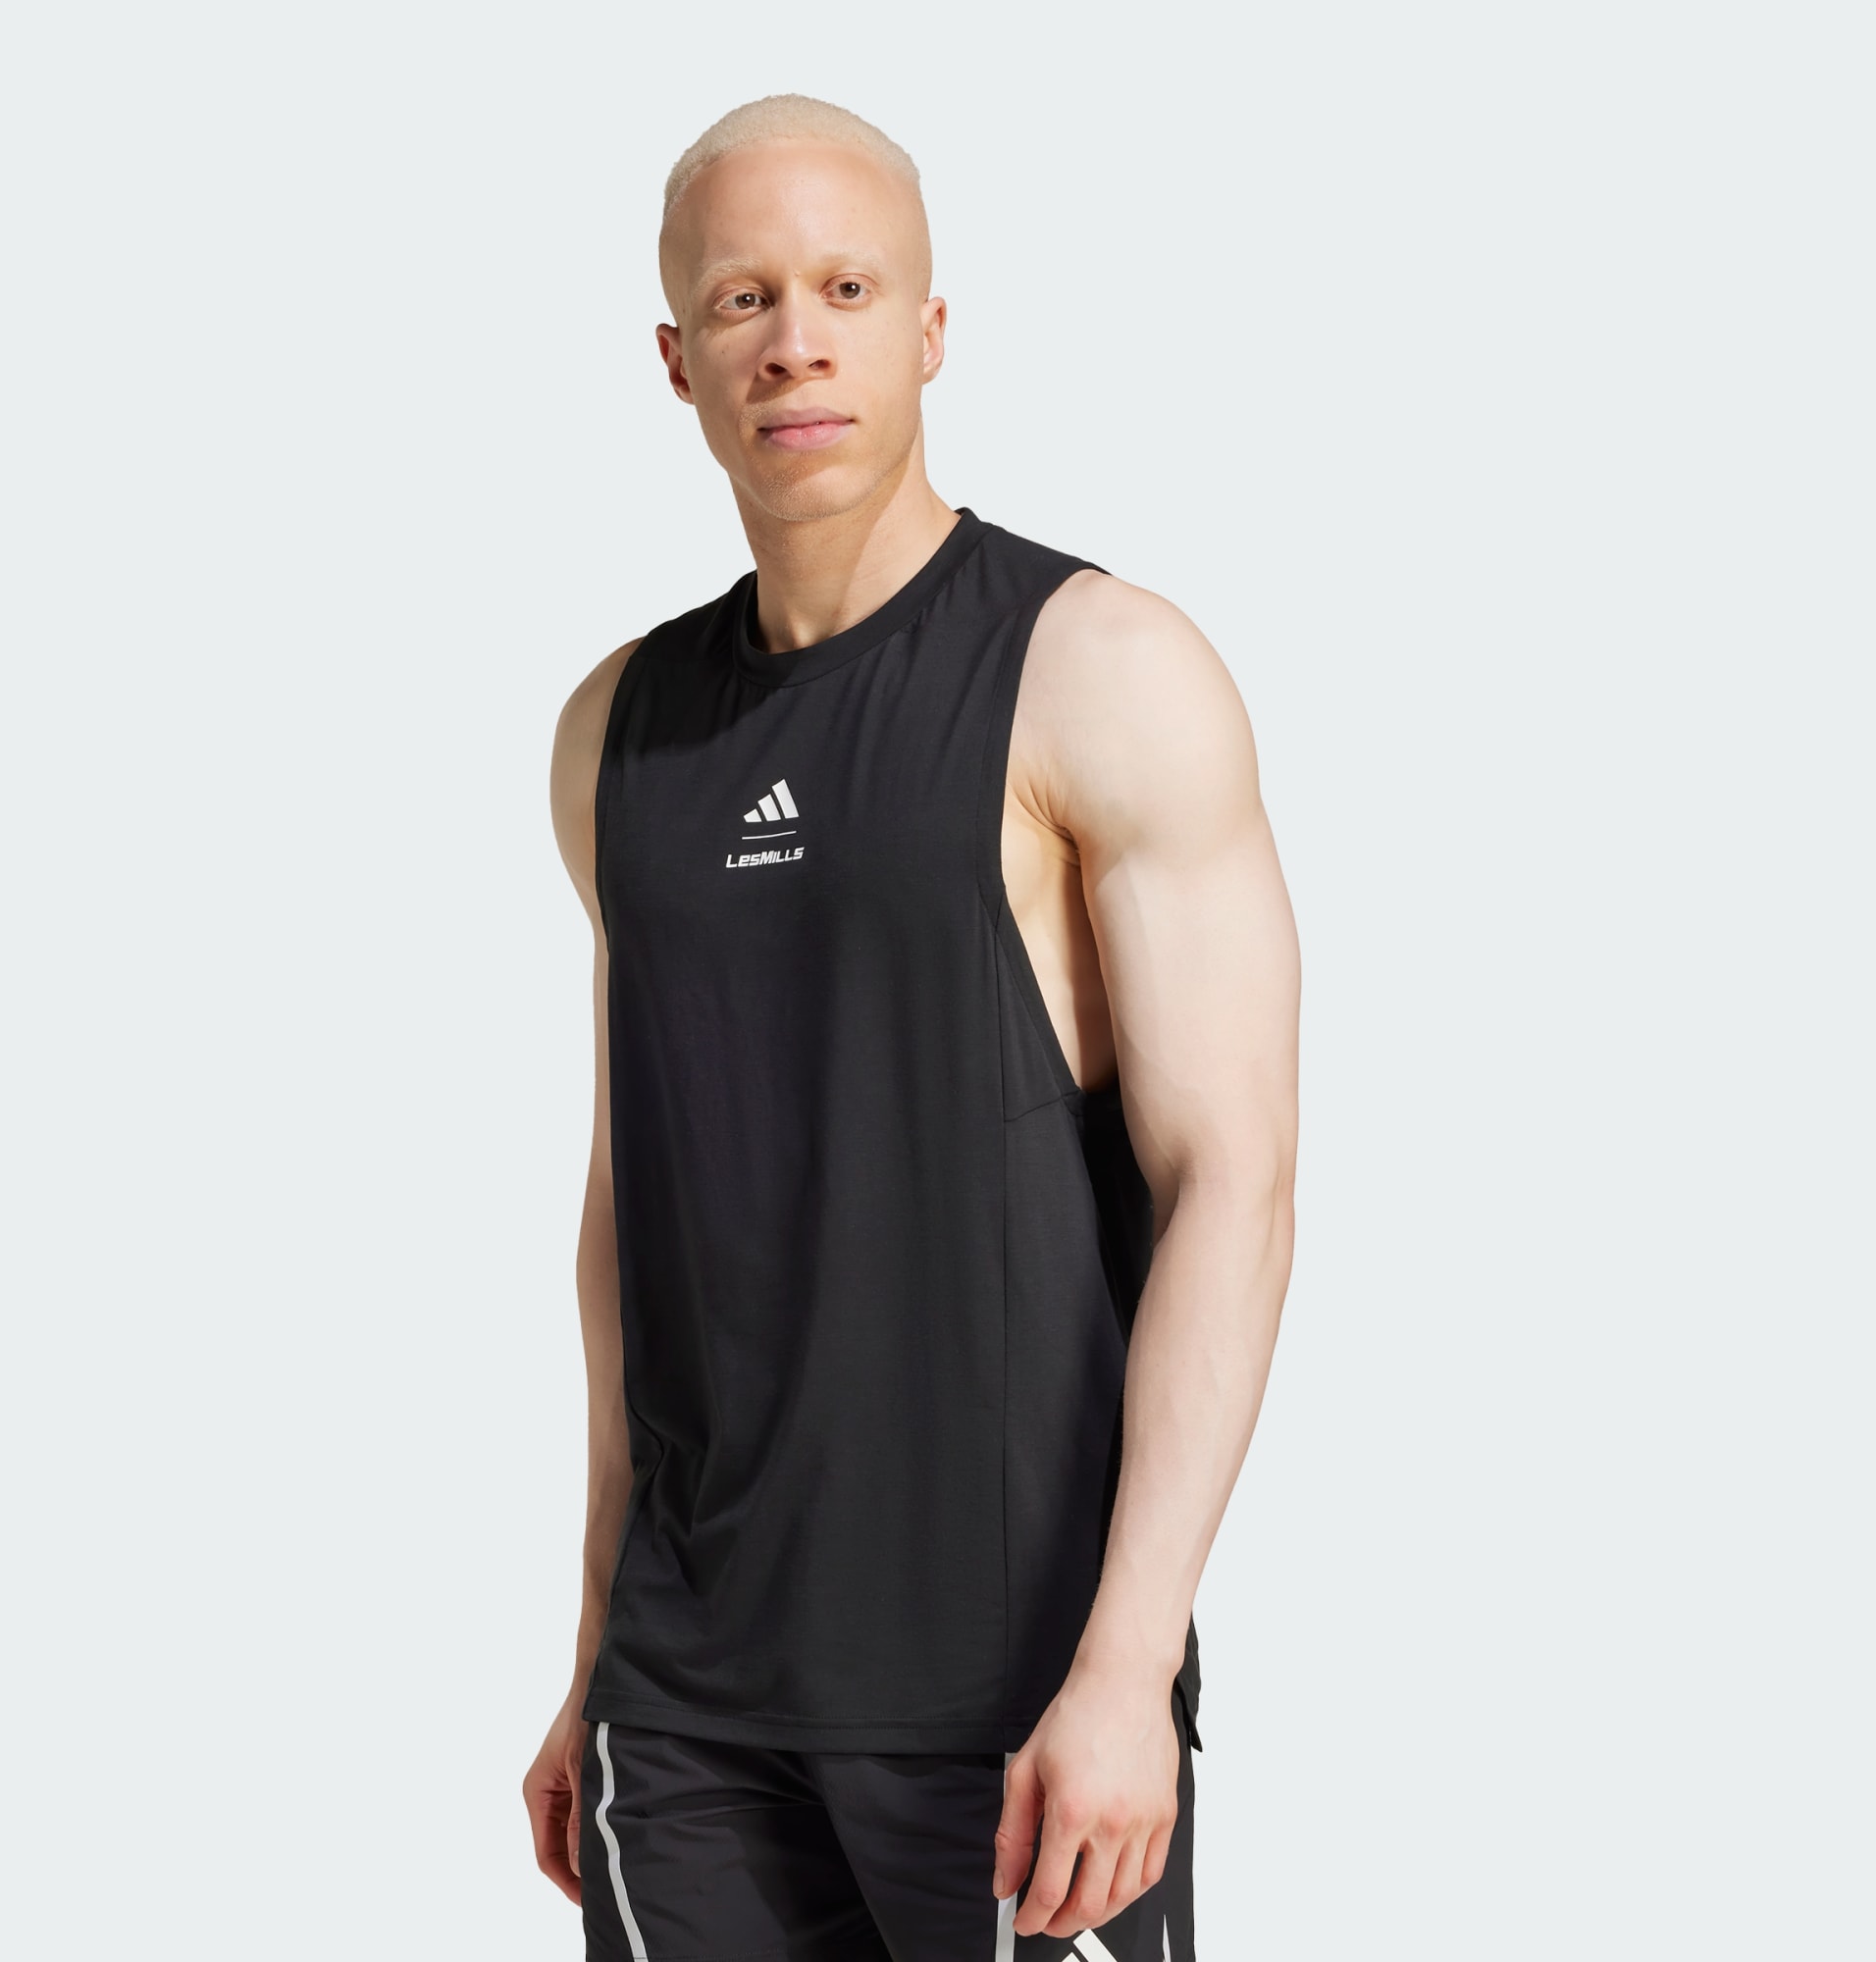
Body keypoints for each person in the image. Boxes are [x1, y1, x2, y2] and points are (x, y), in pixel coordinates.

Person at [523, 93, 1300, 1962]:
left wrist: (1128, 1665)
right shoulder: (615, 730)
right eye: (743, 299)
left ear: (930, 330)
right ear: (677, 358)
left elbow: (1235, 1185)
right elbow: (638, 1215)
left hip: (1016, 1698)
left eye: (848, 289)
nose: (795, 340)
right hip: (688, 1714)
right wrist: (594, 1653)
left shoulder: (1101, 669)